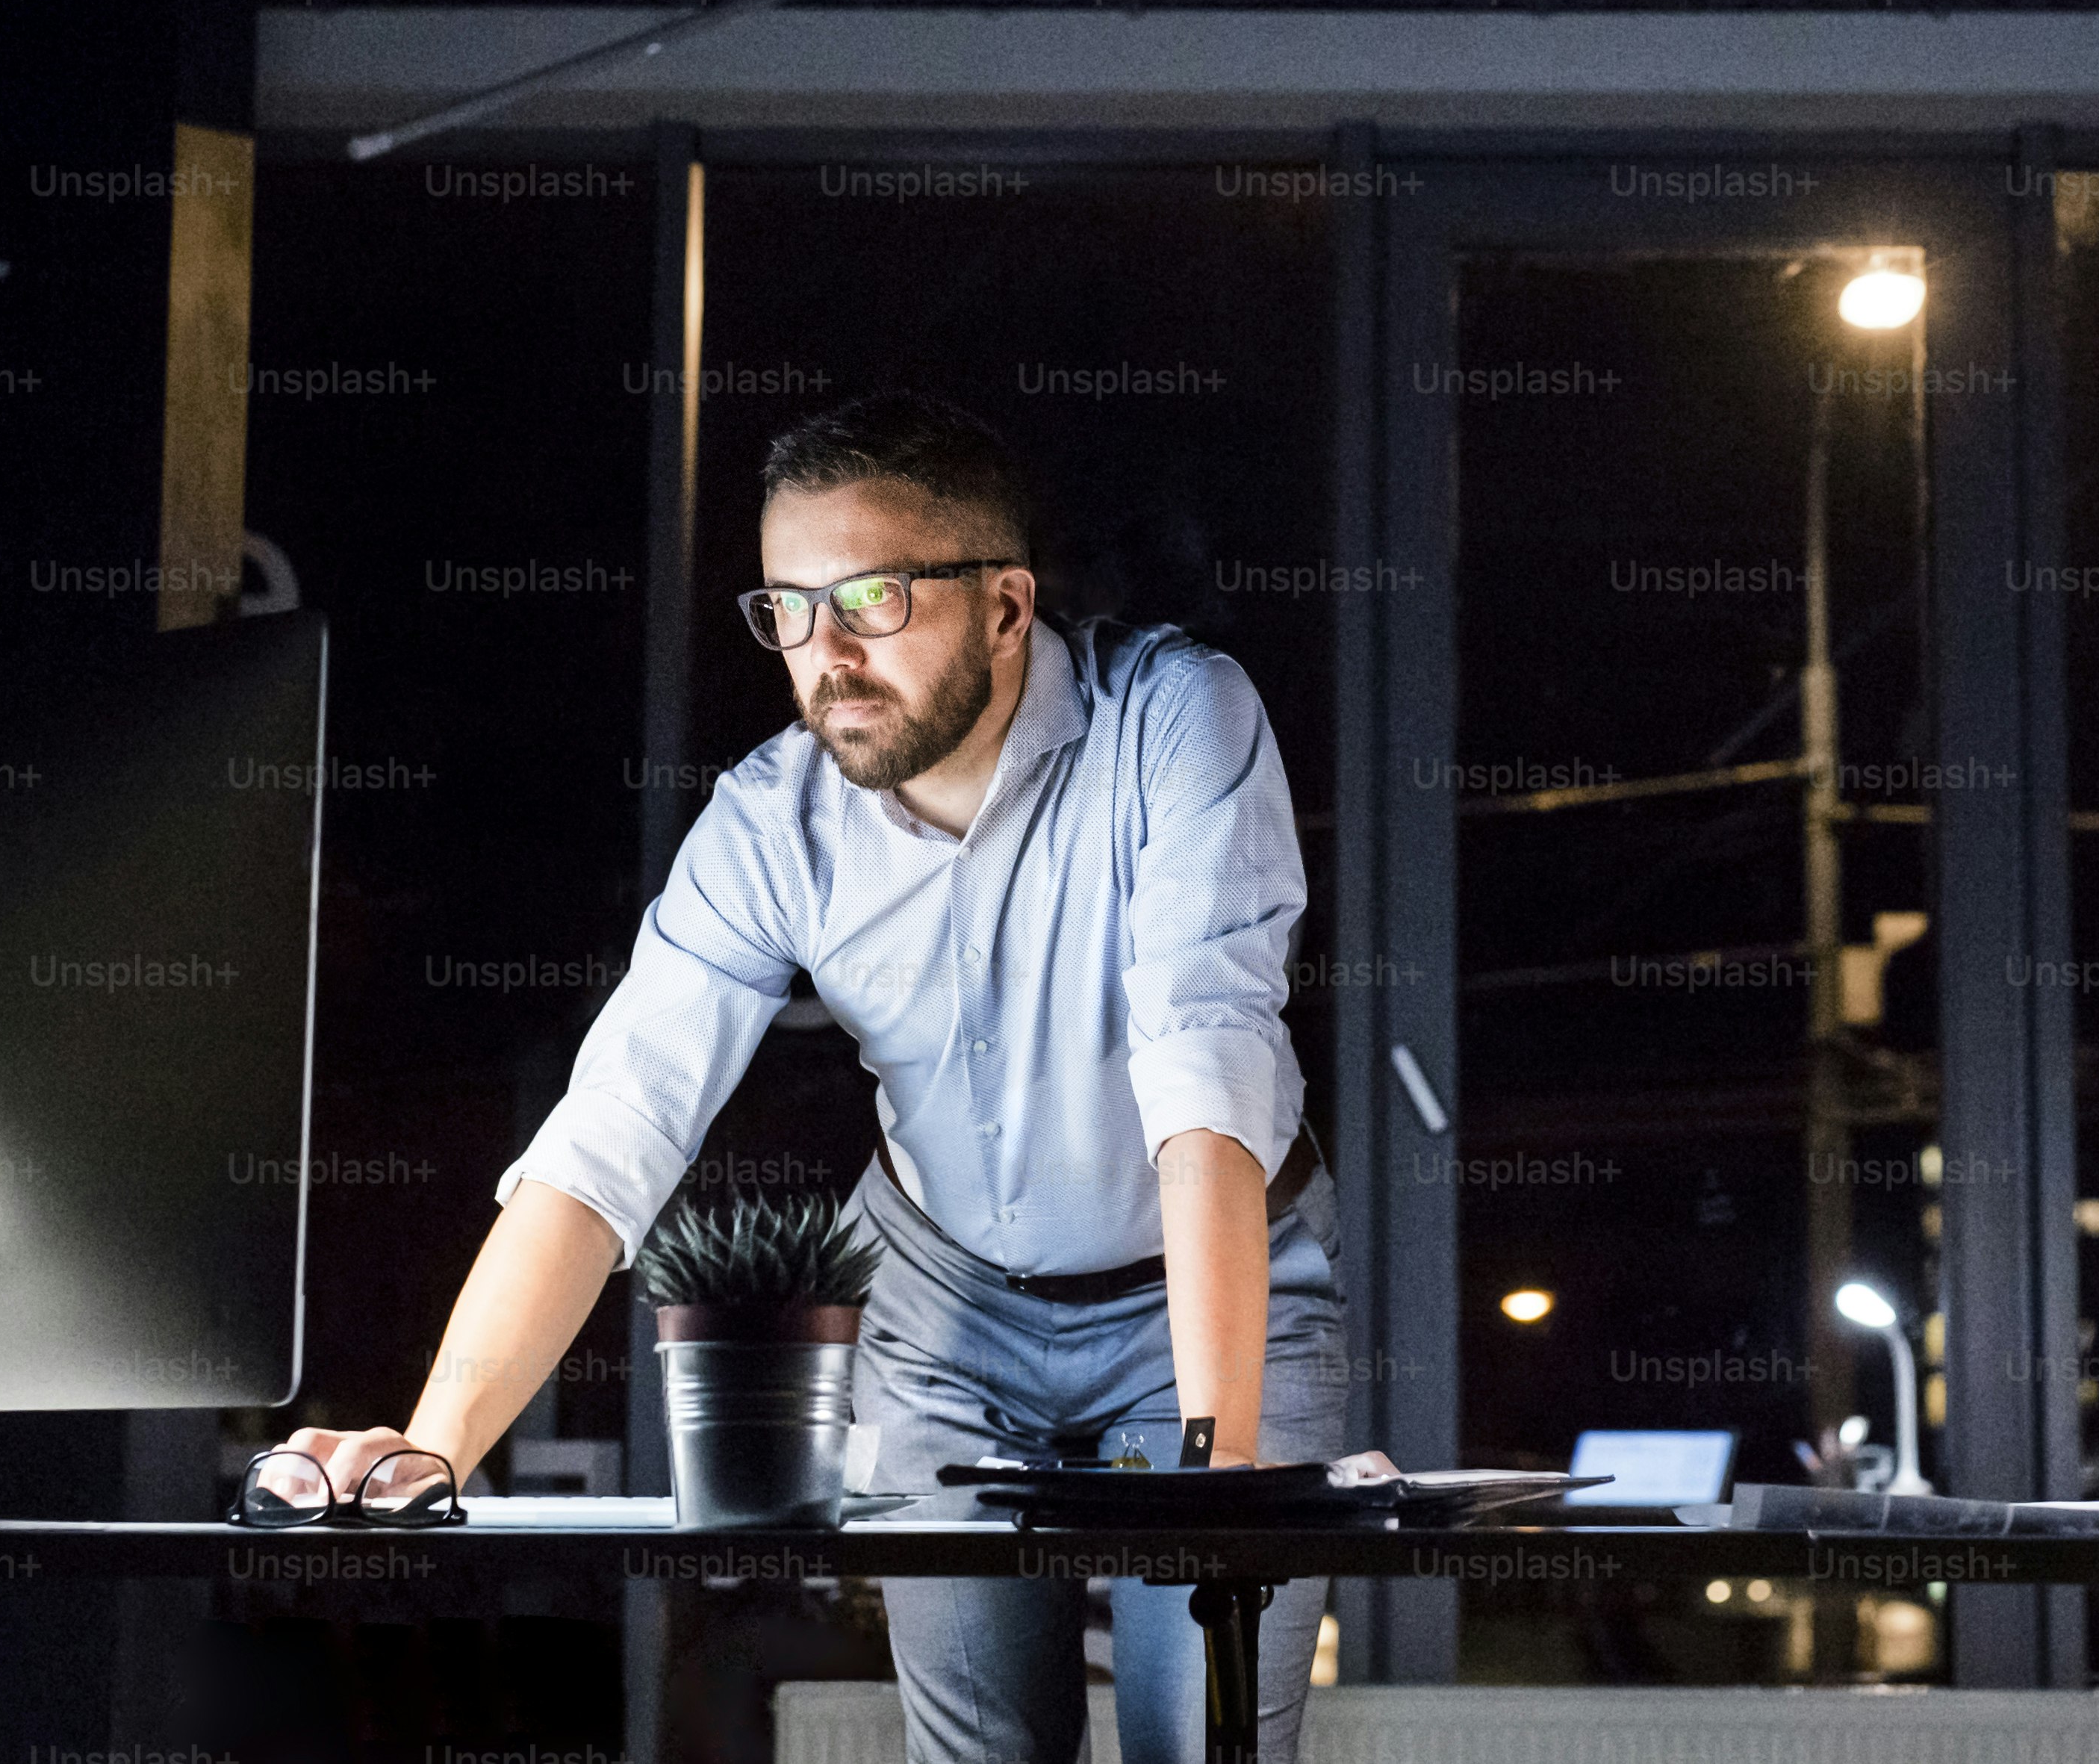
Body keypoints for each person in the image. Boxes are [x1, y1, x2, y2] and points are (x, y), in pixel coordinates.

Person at [276, 390, 1346, 1763]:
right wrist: (433, 1447)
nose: (824, 653)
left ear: (1007, 607)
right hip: (944, 1316)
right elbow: (615, 1126)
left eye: (875, 598)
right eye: (786, 606)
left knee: (1194, 1746)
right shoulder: (767, 820)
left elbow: (1207, 1058)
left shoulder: (1176, 713)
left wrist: (1213, 1460)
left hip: (1205, 1285)